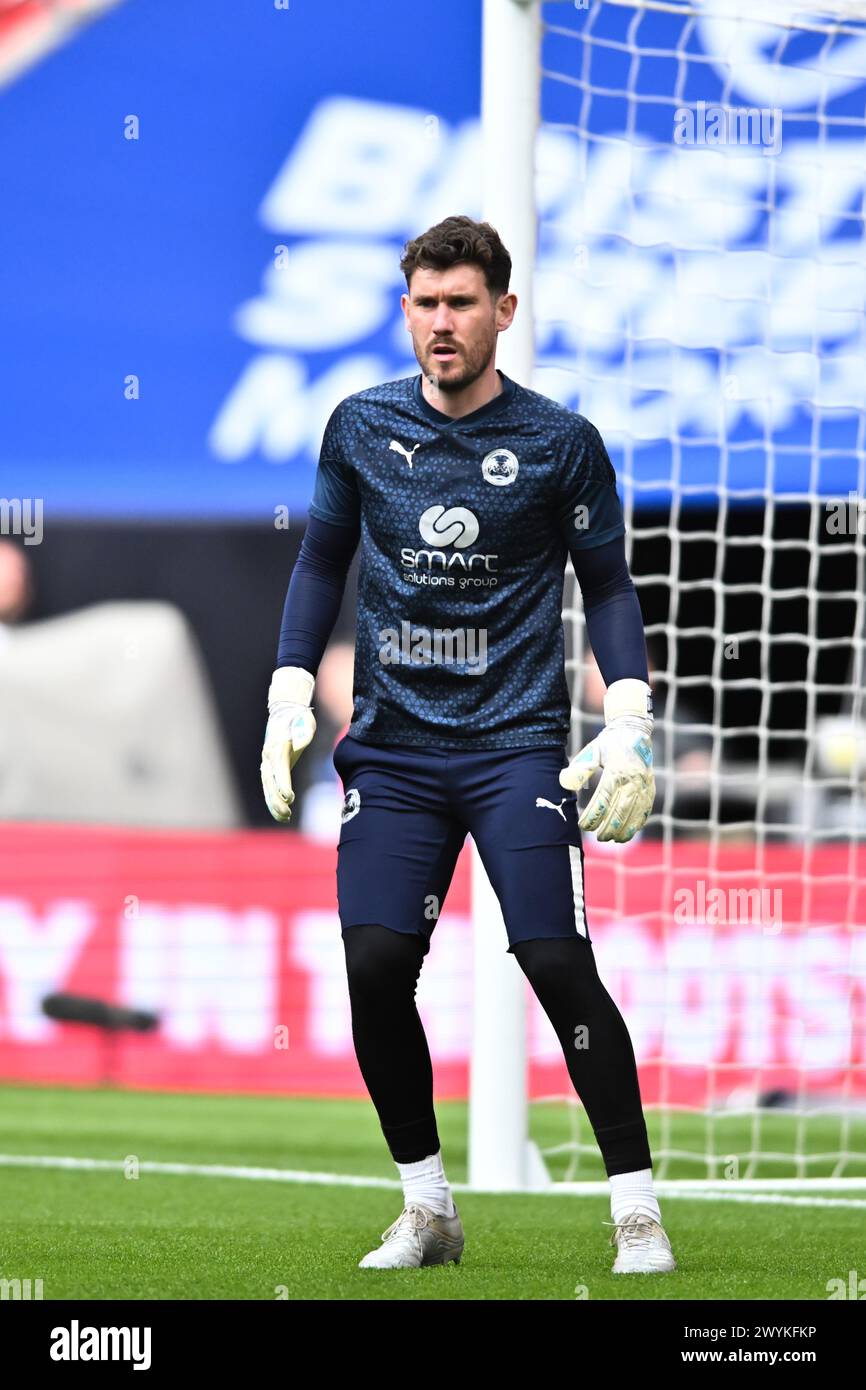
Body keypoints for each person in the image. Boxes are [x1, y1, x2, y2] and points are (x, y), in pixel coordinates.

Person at [260, 216, 676, 1275]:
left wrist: (626, 713)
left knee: (551, 959)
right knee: (374, 962)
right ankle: (427, 1208)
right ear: (405, 309)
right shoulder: (358, 426)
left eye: (460, 302)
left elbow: (610, 585)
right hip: (394, 749)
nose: (441, 323)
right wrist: (289, 685)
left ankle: (633, 1210)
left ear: (502, 309)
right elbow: (319, 563)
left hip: (515, 747)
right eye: (424, 303)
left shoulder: (557, 442)